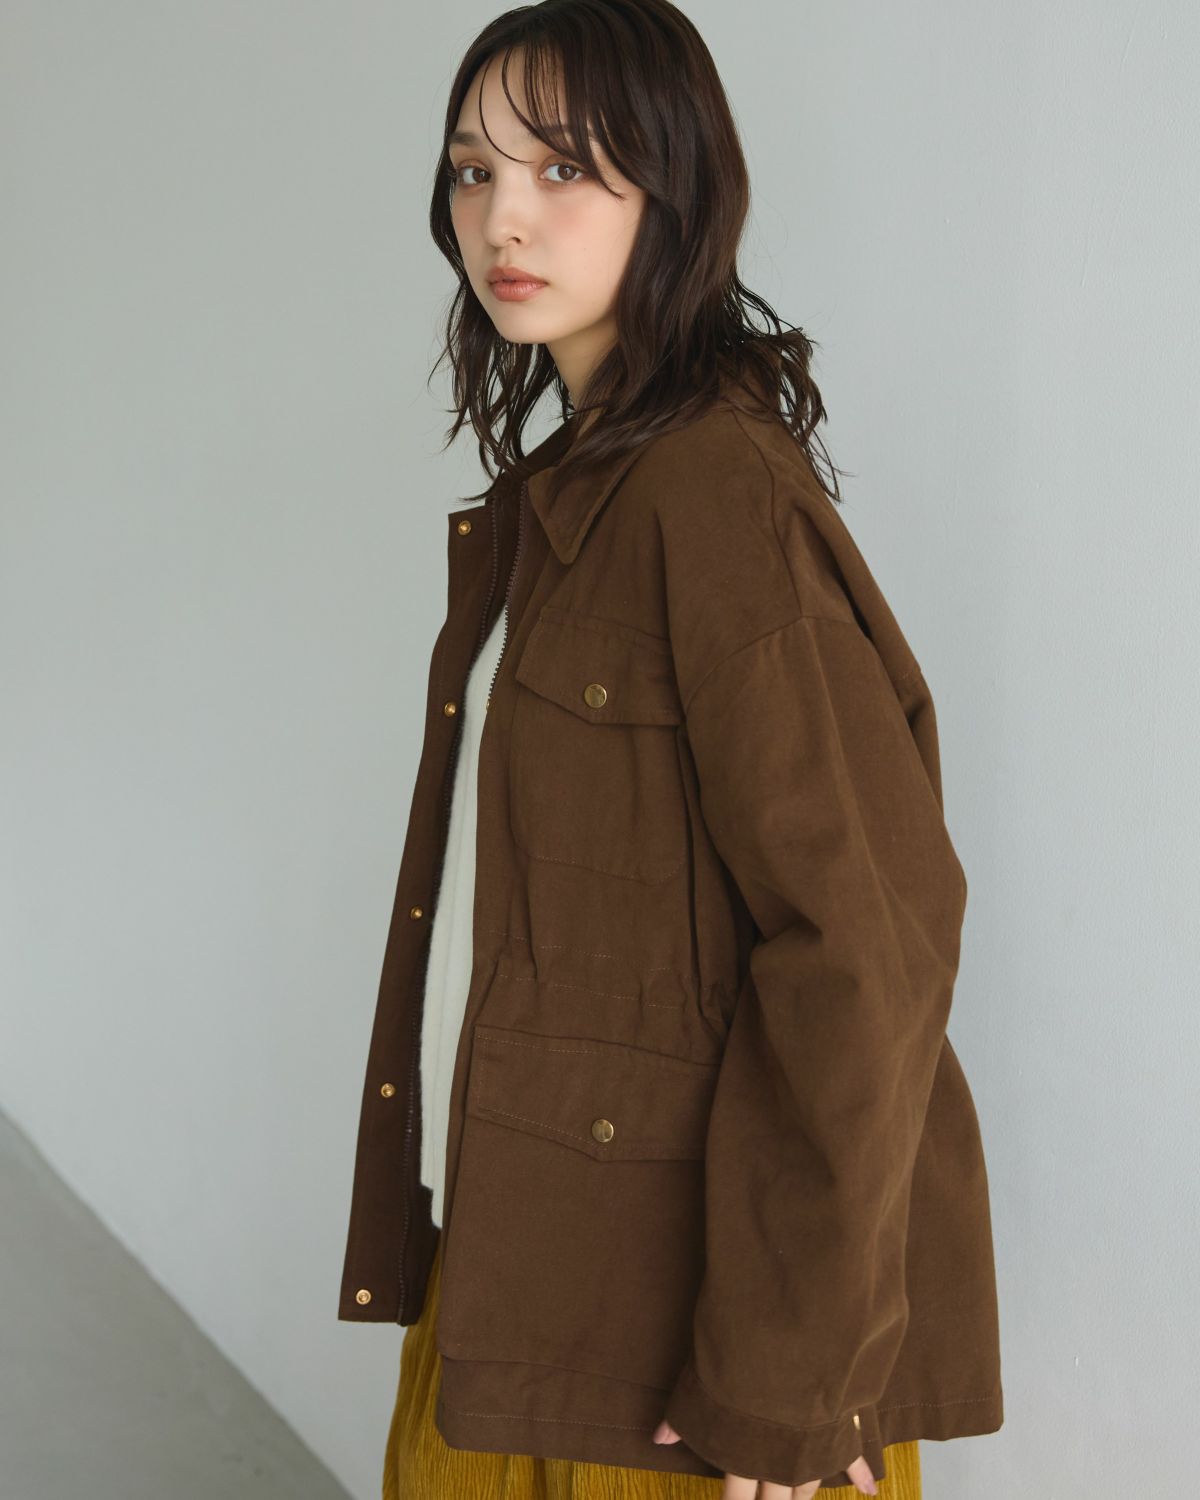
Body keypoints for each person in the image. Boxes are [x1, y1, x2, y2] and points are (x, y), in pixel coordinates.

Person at [337, 4, 1004, 1498]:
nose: (503, 218)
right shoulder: (573, 495)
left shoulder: (714, 499)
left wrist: (785, 1376)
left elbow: (869, 945)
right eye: (471, 170)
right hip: (526, 1284)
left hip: (691, 1377)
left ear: (677, 190)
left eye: (565, 168)